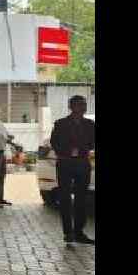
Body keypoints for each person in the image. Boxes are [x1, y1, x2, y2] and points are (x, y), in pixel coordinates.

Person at [50, 96, 95, 245]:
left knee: (81, 199)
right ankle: (68, 233)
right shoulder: (61, 123)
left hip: (82, 164)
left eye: (84, 105)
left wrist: (83, 148)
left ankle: (79, 232)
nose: (83, 107)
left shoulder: (90, 124)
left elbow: (92, 142)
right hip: (65, 164)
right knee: (65, 198)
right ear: (71, 106)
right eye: (79, 104)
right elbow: (54, 142)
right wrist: (68, 151)